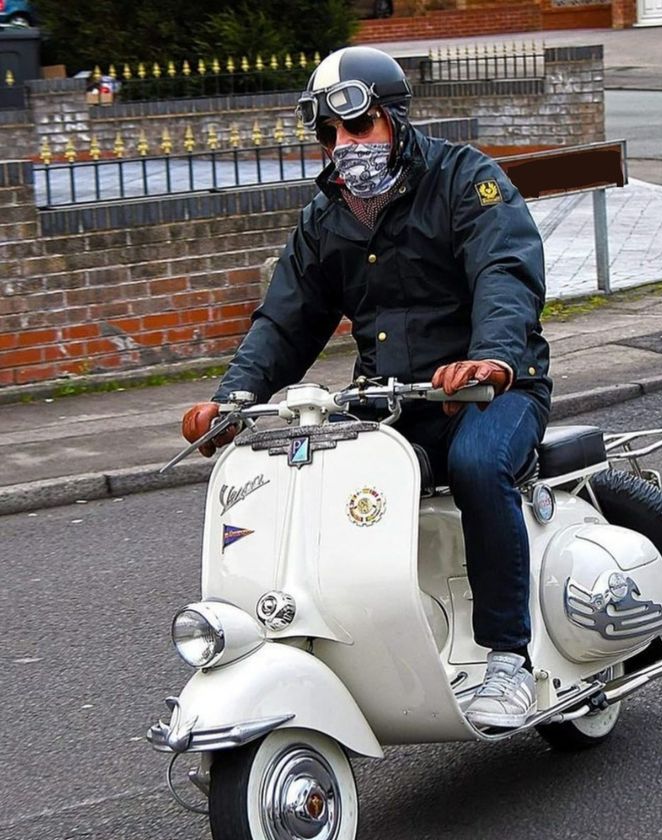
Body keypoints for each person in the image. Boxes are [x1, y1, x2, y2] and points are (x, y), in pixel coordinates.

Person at [181, 46, 551, 729]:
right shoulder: (327, 221)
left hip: (495, 392)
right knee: (324, 479)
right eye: (330, 135)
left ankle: (508, 662)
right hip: (393, 403)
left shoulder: (466, 182)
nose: (344, 146)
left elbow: (506, 270)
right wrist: (232, 400)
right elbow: (285, 322)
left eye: (359, 127)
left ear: (397, 120)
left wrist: (491, 359)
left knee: (476, 462)